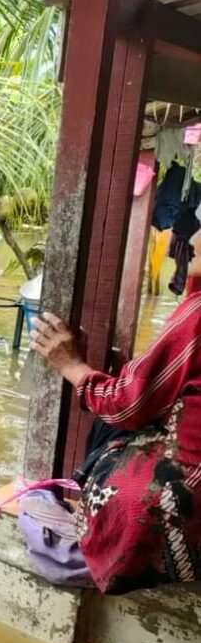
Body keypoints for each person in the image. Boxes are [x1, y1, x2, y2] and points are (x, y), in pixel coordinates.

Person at [30, 224, 201, 594]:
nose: (192, 240)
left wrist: (72, 366)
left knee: (110, 426)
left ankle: (98, 533)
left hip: (188, 505)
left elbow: (127, 403)